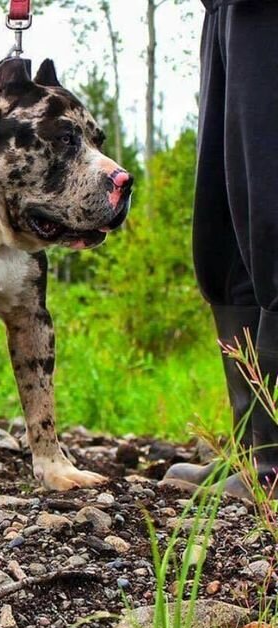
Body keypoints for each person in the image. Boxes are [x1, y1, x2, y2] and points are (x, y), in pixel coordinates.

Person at [162, 0, 278, 500]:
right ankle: (256, 451)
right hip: (226, 12)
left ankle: (274, 465)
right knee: (224, 235)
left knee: (273, 215)